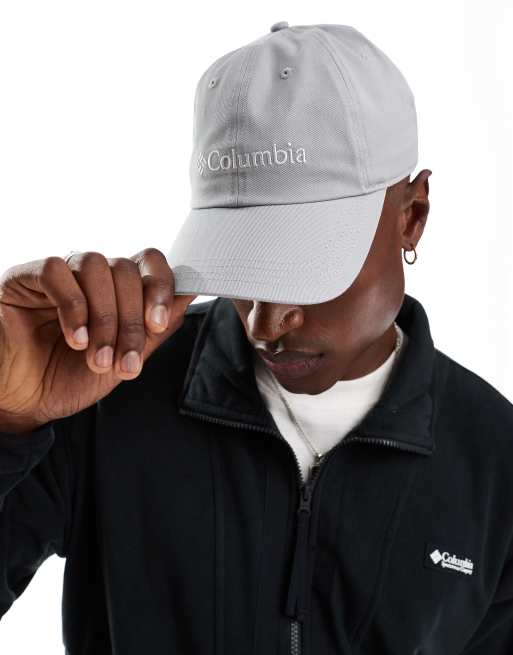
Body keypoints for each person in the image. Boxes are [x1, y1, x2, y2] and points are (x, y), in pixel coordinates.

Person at [1, 20, 512, 655]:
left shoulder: (495, 463)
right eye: (243, 265)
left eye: (305, 268)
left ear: (412, 215)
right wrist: (6, 422)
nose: (264, 325)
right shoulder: (103, 393)